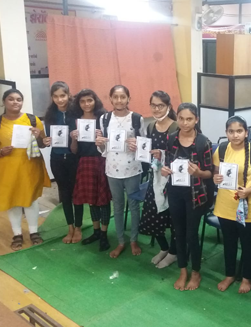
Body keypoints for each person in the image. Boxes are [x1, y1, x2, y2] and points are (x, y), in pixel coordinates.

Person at [161, 103, 213, 291]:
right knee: (178, 232)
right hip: (175, 192)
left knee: (191, 234)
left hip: (195, 195)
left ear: (196, 120)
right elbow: (167, 163)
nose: (185, 123)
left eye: (189, 119)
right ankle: (183, 270)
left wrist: (198, 173)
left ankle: (196, 272)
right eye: (181, 118)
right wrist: (164, 170)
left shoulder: (203, 142)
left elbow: (210, 173)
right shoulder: (171, 138)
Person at [213, 116, 251, 294]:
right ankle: (229, 274)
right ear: (226, 133)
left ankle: (246, 277)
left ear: (246, 133)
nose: (235, 135)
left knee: (247, 243)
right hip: (225, 204)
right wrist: (215, 178)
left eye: (239, 131)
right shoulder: (221, 149)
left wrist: (249, 190)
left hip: (247, 204)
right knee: (229, 242)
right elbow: (216, 173)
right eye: (231, 131)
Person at [96, 85, 147, 258]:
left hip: (132, 169)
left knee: (133, 205)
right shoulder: (104, 119)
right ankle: (120, 241)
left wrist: (137, 145)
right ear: (110, 99)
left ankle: (133, 240)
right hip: (112, 169)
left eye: (123, 97)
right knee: (117, 206)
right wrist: (99, 143)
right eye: (116, 97)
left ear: (128, 99)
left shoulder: (137, 119)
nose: (119, 100)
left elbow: (145, 145)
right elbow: (103, 148)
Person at [0, 89, 50, 250]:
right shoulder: (0, 122)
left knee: (31, 199)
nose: (15, 102)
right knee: (12, 200)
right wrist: (1, 151)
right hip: (7, 168)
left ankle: (34, 232)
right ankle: (17, 234)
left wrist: (39, 136)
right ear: (4, 101)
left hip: (30, 167)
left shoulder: (32, 120)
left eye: (19, 99)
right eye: (11, 99)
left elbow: (43, 144)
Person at [139, 91, 179, 269]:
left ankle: (174, 253)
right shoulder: (150, 127)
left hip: (173, 179)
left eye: (160, 106)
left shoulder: (176, 127)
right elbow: (148, 152)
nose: (156, 109)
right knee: (152, 214)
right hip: (156, 178)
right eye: (153, 105)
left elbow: (182, 154)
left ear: (168, 107)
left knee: (174, 218)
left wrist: (162, 154)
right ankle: (164, 247)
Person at [69, 89, 112, 251]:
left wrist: (102, 138)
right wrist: (73, 138)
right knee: (91, 200)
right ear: (78, 103)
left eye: (89, 100)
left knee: (103, 200)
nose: (86, 104)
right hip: (84, 162)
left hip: (101, 161)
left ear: (95, 101)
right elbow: (74, 150)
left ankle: (104, 234)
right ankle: (96, 231)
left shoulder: (103, 119)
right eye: (82, 101)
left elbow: (111, 144)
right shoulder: (76, 121)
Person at [42, 81, 84, 244]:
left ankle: (78, 227)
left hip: (74, 158)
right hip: (57, 159)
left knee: (77, 194)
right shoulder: (50, 116)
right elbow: (49, 140)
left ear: (68, 95)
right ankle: (70, 227)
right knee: (64, 193)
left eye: (63, 95)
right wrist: (46, 140)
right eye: (56, 96)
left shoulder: (77, 113)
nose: (60, 100)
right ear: (52, 98)